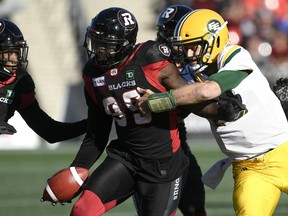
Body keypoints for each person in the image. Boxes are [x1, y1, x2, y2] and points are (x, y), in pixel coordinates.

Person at [67, 7, 243, 216]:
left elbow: (189, 99)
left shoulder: (152, 59)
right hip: (125, 156)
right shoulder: (92, 73)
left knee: (194, 209)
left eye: (106, 45)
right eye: (97, 43)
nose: (99, 50)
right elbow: (97, 131)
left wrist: (219, 110)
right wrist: (77, 170)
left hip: (164, 163)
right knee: (82, 209)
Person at [137, 9, 288, 216]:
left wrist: (158, 101)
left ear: (213, 41)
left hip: (283, 153)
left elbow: (207, 90)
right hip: (248, 169)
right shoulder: (191, 75)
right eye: (186, 48)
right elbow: (185, 106)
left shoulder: (234, 55)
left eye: (193, 47)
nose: (189, 54)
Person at [154, 5, 206, 216]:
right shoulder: (150, 62)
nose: (173, 47)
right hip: (146, 148)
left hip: (177, 143)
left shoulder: (199, 63)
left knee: (195, 206)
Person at [0, 19, 86, 142]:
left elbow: (50, 132)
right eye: (8, 53)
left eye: (16, 52)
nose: (15, 59)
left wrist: (90, 124)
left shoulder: (20, 82)